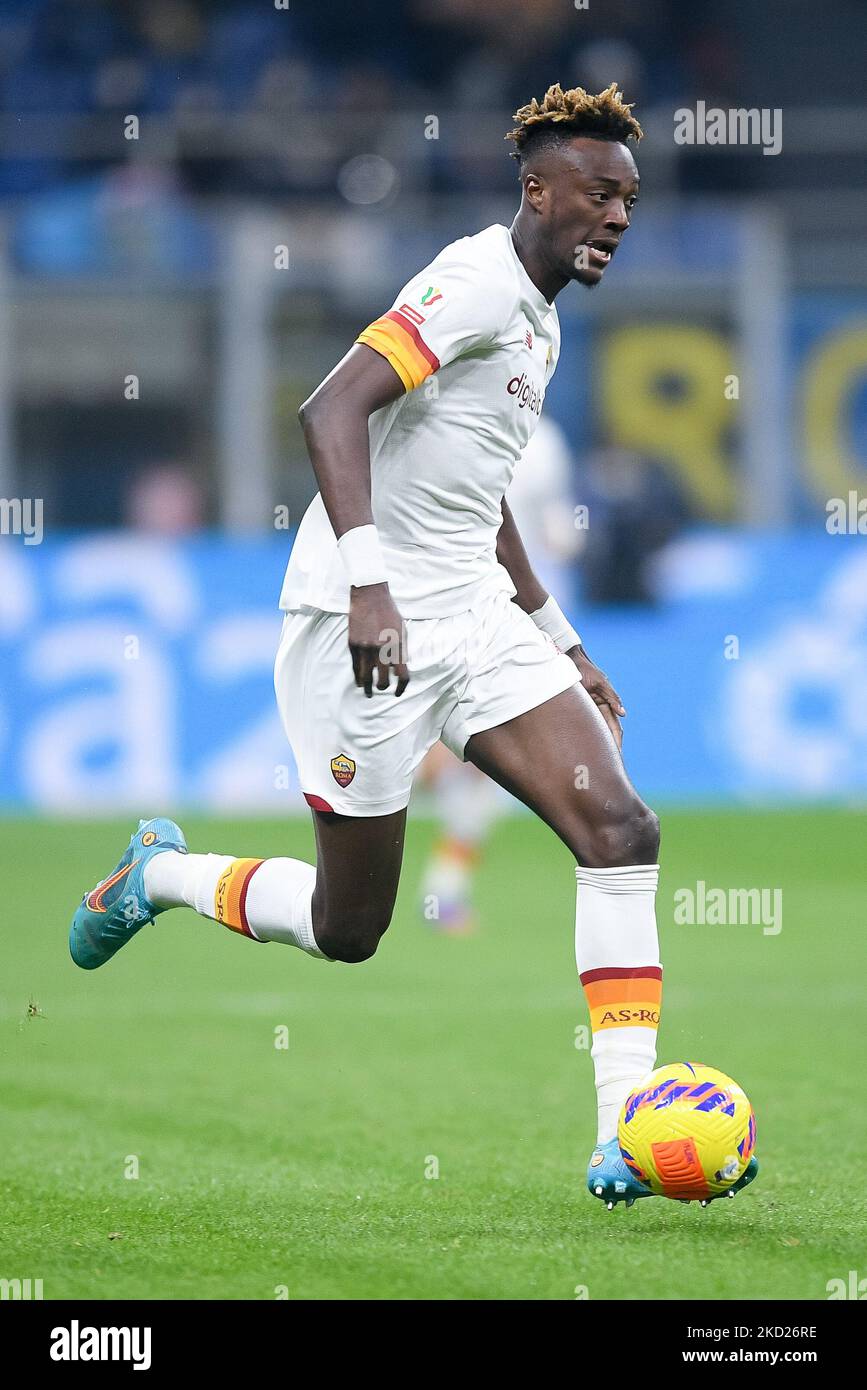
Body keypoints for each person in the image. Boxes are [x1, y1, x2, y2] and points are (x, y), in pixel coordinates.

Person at [69, 82, 756, 1210]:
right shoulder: (477, 279)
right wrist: (372, 587)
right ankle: (161, 874)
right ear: (537, 190)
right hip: (363, 628)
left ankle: (623, 1135)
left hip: (475, 619)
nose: (617, 218)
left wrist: (557, 635)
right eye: (598, 194)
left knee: (622, 827)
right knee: (352, 930)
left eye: (628, 199)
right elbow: (328, 409)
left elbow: (476, 492)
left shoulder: (541, 313)